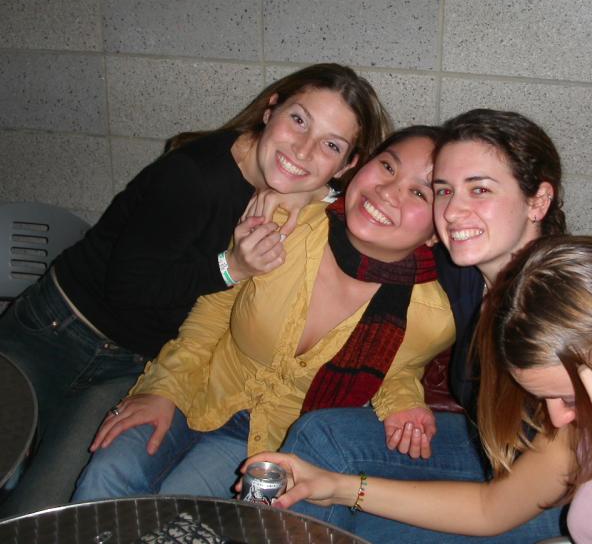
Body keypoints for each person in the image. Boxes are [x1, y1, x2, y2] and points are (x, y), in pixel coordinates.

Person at [270, 109, 592, 543]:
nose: (453, 211)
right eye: (443, 190)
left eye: (480, 189)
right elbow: (372, 229)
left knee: (354, 513)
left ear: (538, 201)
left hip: (569, 483)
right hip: (502, 454)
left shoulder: (569, 289)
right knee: (325, 440)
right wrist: (300, 200)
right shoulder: (460, 266)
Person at [0, 63, 391, 514]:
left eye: (330, 145)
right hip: (59, 330)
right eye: (298, 120)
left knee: (44, 510)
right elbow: (129, 290)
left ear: (347, 164)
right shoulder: (195, 176)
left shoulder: (306, 199)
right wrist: (231, 267)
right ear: (271, 110)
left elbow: (367, 212)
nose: (302, 150)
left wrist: (311, 193)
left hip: (132, 364)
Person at [250, 235, 592, 543]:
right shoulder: (584, 422)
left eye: (568, 396)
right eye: (547, 398)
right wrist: (336, 487)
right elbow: (491, 509)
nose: (557, 418)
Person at [71, 125, 456, 501]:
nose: (387, 191)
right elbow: (212, 313)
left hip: (271, 441)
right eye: (388, 166)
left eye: (419, 192)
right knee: (106, 477)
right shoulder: (285, 223)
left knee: (176, 508)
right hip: (197, 387)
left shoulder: (432, 317)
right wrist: (162, 390)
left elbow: (397, 366)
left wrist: (403, 404)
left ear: (436, 231)